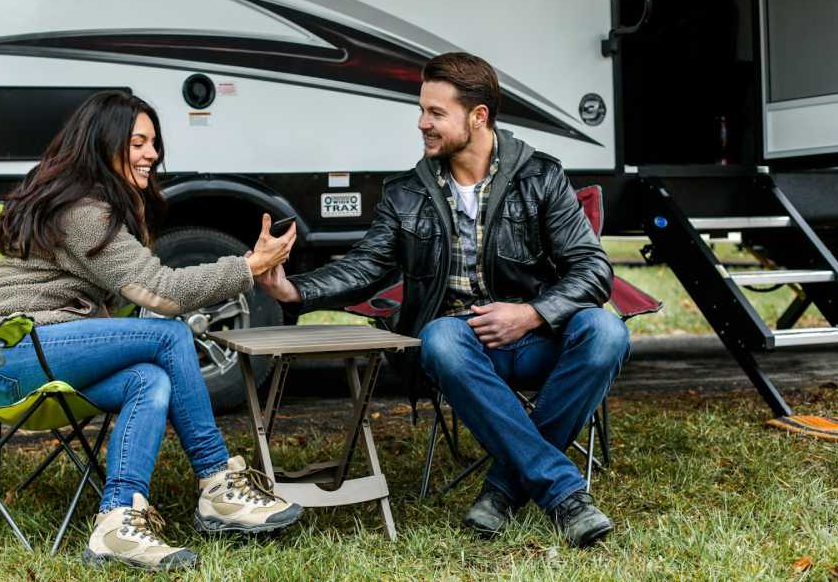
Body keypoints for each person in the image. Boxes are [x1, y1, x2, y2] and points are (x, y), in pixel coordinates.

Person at [257, 53, 629, 548]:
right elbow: (368, 264)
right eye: (421, 110)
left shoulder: (541, 177)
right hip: (463, 350)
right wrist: (294, 289)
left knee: (607, 331)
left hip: (541, 339)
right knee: (440, 336)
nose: (422, 123)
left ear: (478, 117)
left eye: (435, 113)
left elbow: (593, 269)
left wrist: (531, 313)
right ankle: (564, 492)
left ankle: (504, 489)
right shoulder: (407, 192)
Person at [0, 91, 302, 571]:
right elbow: (161, 293)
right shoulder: (83, 211)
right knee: (169, 333)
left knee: (151, 379)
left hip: (36, 354)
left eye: (154, 143)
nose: (153, 154)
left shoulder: (96, 203)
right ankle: (216, 482)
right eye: (138, 143)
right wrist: (247, 266)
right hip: (5, 356)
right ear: (103, 144)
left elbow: (139, 287)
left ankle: (117, 522)